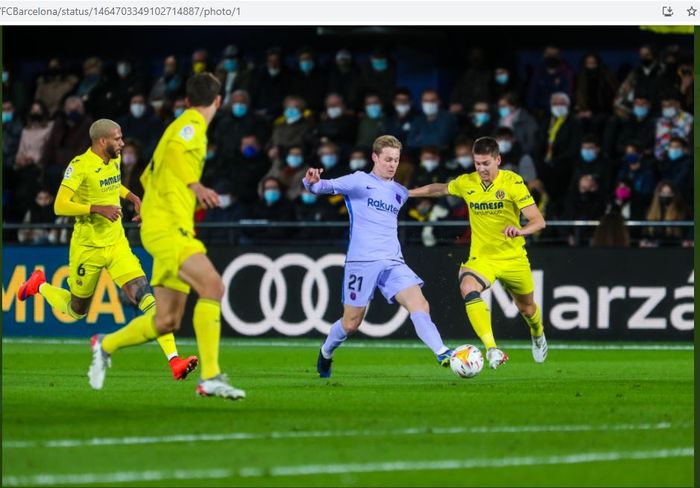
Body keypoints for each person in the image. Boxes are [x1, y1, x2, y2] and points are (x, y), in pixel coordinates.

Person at [86, 73, 245, 400]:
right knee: (213, 286)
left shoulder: (177, 124)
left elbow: (148, 172)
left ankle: (106, 345)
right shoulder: (192, 125)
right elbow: (173, 153)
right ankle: (211, 377)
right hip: (170, 227)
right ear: (218, 101)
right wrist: (194, 184)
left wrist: (149, 205)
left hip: (165, 225)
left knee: (167, 320)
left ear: (187, 99)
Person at [16, 119, 197, 381]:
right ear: (102, 141)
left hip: (116, 243)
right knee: (77, 310)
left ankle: (174, 361)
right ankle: (39, 285)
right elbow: (60, 205)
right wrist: (97, 209)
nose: (122, 143)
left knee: (145, 295)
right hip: (87, 247)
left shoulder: (114, 159)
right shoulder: (79, 166)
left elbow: (112, 185)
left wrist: (132, 197)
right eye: (117, 138)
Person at [303, 135, 453, 378]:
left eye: (396, 160)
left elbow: (427, 191)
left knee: (420, 304)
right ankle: (326, 352)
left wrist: (454, 187)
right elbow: (323, 187)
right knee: (351, 323)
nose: (392, 164)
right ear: (375, 157)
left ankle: (442, 352)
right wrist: (311, 182)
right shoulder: (359, 181)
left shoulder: (398, 191)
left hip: (393, 262)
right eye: (387, 159)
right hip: (362, 263)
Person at [408, 136, 548, 369]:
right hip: (482, 258)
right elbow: (439, 189)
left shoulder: (512, 183)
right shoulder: (467, 182)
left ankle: (538, 333)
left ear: (497, 160)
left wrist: (521, 230)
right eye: (477, 163)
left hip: (513, 258)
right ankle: (492, 349)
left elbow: (539, 221)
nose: (481, 169)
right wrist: (408, 193)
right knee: (467, 287)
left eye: (486, 163)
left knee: (528, 309)